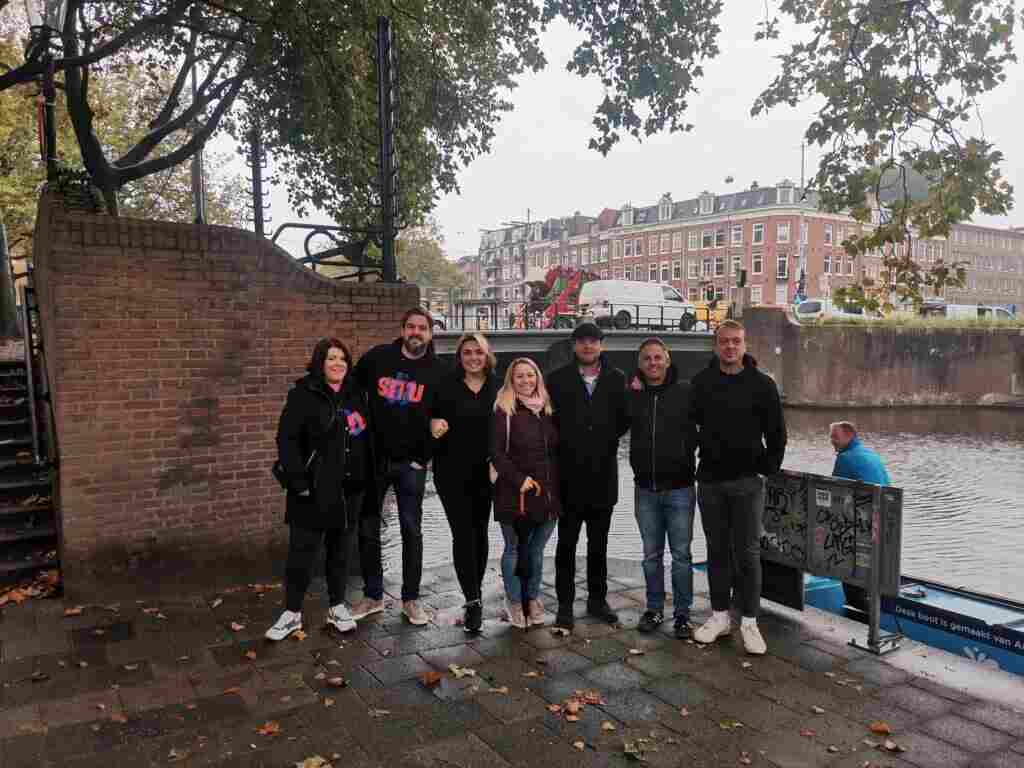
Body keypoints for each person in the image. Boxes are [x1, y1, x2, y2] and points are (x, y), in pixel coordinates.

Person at [690, 319, 787, 655]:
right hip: (711, 481)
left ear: (744, 345)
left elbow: (777, 433)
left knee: (747, 553)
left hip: (748, 482)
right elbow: (690, 428)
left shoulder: (762, 385)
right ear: (716, 346)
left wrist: (765, 470)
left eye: (736, 341)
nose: (730, 347)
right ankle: (719, 617)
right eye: (724, 342)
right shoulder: (702, 383)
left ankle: (749, 621)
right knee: (716, 551)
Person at [267, 338, 373, 641]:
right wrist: (298, 482)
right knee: (302, 552)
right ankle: (291, 613)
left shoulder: (356, 395)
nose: (338, 363)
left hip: (349, 489)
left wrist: (366, 476)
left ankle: (337, 606)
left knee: (340, 551)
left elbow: (364, 437)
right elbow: (286, 440)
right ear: (319, 363)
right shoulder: (303, 395)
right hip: (313, 489)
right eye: (331, 359)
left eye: (342, 358)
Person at [352, 308, 448, 626]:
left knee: (411, 530)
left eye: (422, 328)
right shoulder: (379, 357)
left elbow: (444, 418)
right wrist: (356, 429)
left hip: (412, 464)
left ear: (430, 334)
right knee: (368, 528)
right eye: (410, 327)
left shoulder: (437, 370)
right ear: (402, 329)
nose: (415, 332)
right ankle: (373, 595)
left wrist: (426, 455)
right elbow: (349, 390)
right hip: (375, 460)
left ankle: (410, 599)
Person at [547, 322, 630, 631]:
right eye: (582, 341)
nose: (587, 346)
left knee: (599, 544)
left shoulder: (616, 379)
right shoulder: (556, 380)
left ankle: (597, 600)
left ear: (601, 345)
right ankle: (565, 604)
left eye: (593, 341)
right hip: (568, 476)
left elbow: (624, 420)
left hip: (603, 476)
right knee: (566, 544)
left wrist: (602, 439)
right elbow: (549, 421)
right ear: (574, 346)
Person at [628, 338, 698, 639]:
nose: (653, 363)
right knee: (650, 555)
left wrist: (686, 456)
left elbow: (704, 427)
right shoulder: (634, 395)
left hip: (680, 487)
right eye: (647, 359)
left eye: (658, 358)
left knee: (681, 555)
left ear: (667, 360)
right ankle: (654, 609)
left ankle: (683, 614)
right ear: (640, 364)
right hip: (645, 488)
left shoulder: (685, 391)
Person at [430, 333, 499, 633]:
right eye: (467, 352)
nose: (473, 358)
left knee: (479, 531)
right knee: (462, 533)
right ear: (460, 357)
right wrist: (432, 423)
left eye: (479, 353)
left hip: (486, 473)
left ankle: (477, 593)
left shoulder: (499, 387)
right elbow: (428, 415)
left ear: (487, 356)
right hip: (451, 471)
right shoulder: (446, 385)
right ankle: (472, 601)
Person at [490, 357, 560, 629]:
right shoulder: (503, 410)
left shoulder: (547, 408)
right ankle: (515, 601)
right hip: (515, 492)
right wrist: (519, 479)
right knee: (515, 549)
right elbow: (496, 453)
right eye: (519, 376)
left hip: (547, 493)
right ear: (511, 380)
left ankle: (532, 597)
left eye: (530, 375)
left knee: (537, 550)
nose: (526, 381)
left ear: (537, 377)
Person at [830, 420, 891, 611]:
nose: (831, 440)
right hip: (882, 519)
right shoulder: (871, 454)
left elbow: (834, 491)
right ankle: (872, 605)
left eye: (835, 436)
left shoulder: (845, 458)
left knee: (848, 565)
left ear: (849, 436)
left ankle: (857, 610)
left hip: (860, 522)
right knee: (868, 567)